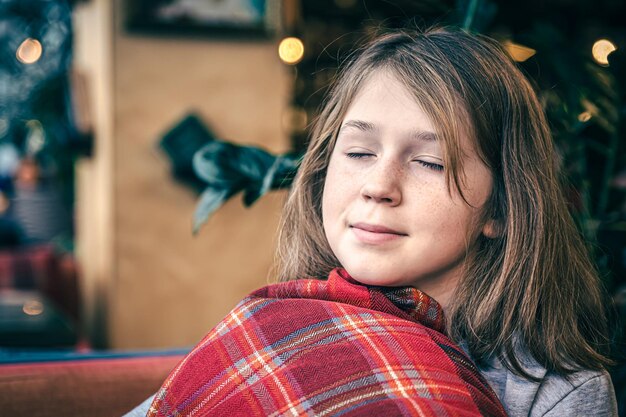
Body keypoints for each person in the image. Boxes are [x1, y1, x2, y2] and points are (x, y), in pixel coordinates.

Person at [126, 26, 617, 416]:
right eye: (359, 152)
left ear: (501, 209)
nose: (378, 185)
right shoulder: (272, 333)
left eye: (430, 162)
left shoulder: (556, 395)